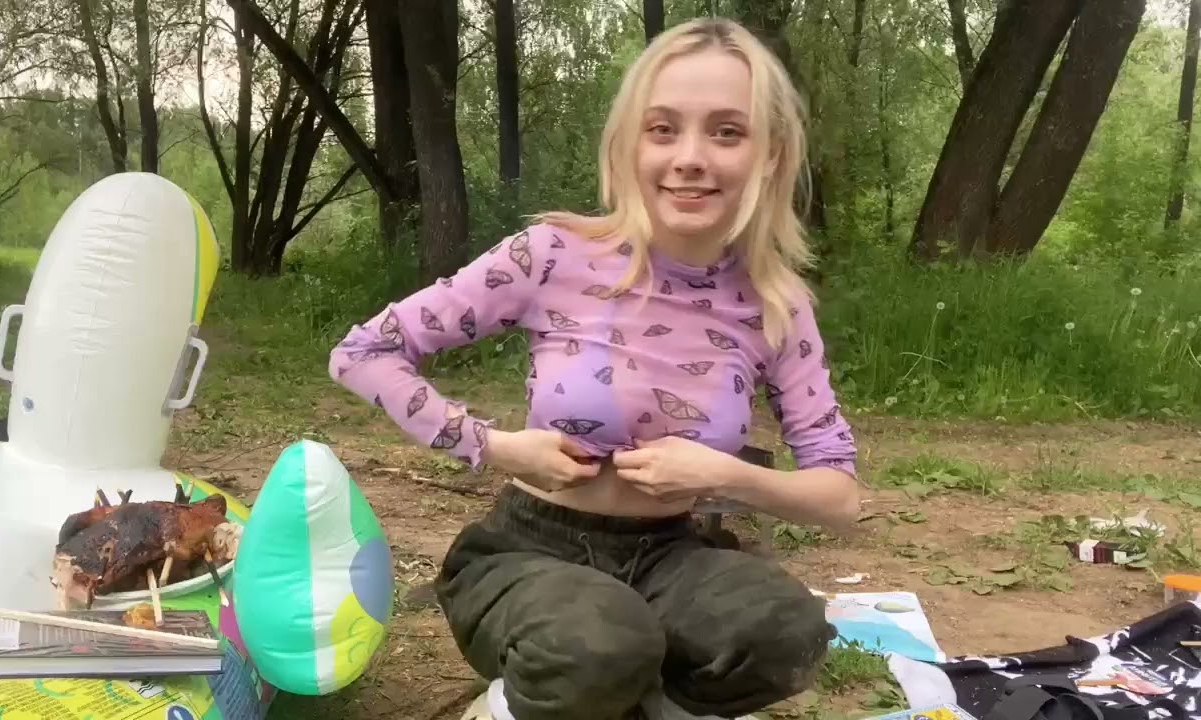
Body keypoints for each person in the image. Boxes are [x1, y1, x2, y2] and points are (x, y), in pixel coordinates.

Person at [329, 17, 860, 720]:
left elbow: (839, 496)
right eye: (663, 129)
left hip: (673, 557)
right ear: (627, 144)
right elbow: (364, 353)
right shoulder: (551, 255)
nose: (690, 157)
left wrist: (724, 476)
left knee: (786, 632)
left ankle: (643, 705)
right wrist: (495, 447)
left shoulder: (776, 305)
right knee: (601, 643)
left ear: (770, 155)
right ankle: (515, 706)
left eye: (727, 132)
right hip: (528, 552)